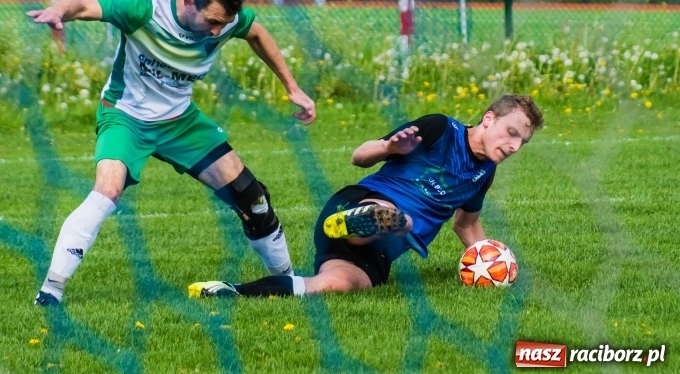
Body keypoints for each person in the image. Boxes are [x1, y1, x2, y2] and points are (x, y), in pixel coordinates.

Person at [28, 0, 316, 306]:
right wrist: (59, 10)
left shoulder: (224, 18)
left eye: (223, 25)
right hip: (126, 117)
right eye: (211, 22)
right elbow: (85, 6)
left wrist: (292, 87)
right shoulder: (144, 7)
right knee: (107, 190)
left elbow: (255, 32)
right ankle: (50, 291)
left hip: (181, 121)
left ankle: (287, 283)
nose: (216, 33)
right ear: (189, 2)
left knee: (251, 196)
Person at [188, 94, 542, 298]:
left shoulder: (484, 172)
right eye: (510, 133)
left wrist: (495, 266)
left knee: (333, 286)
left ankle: (228, 291)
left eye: (521, 142)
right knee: (398, 218)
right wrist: (390, 146)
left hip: (378, 251)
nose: (513, 146)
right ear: (488, 118)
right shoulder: (439, 128)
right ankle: (363, 219)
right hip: (362, 201)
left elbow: (467, 226)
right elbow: (359, 156)